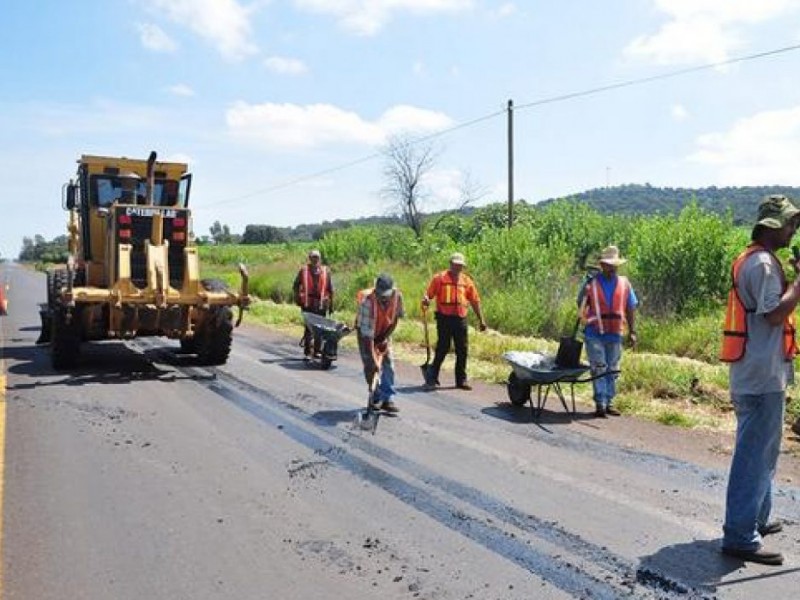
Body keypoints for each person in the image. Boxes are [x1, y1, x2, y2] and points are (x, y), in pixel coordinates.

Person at [719, 194, 800, 566]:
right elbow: (771, 314)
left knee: (763, 452)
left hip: (757, 373)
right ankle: (740, 535)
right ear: (772, 226)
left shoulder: (756, 259)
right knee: (753, 456)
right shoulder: (765, 264)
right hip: (760, 376)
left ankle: (756, 520)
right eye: (789, 223)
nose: (793, 229)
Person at [579, 245, 638, 418]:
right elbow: (580, 305)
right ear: (602, 265)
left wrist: (633, 331)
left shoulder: (625, 284)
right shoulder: (591, 283)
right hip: (594, 333)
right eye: (609, 265)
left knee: (612, 368)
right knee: (599, 367)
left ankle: (609, 401)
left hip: (615, 333)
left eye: (615, 265)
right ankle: (600, 403)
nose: (612, 268)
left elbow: (631, 307)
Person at [422, 252, 487, 391]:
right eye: (455, 265)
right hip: (444, 318)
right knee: (443, 348)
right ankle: (432, 376)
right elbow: (429, 294)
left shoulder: (467, 281)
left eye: (460, 266)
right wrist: (426, 300)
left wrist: (481, 320)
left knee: (462, 349)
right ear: (450, 264)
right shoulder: (439, 279)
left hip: (460, 319)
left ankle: (461, 380)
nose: (458, 268)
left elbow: (475, 301)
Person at [356, 273, 404, 412]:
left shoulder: (397, 297)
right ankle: (375, 396)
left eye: (386, 294)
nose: (383, 297)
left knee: (388, 364)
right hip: (366, 334)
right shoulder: (367, 302)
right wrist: (373, 360)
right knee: (371, 366)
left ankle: (387, 398)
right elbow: (367, 337)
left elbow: (395, 320)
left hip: (385, 330)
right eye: (380, 294)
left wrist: (384, 337)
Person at [293, 249, 334, 358]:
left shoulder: (326, 271)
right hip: (307, 304)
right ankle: (307, 351)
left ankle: (317, 351)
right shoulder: (303, 271)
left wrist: (331, 305)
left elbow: (330, 289)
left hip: (321, 305)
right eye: (313, 257)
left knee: (320, 328)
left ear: (320, 259)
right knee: (309, 328)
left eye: (317, 257)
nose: (315, 259)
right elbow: (296, 285)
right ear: (310, 258)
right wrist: (297, 298)